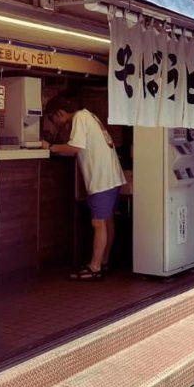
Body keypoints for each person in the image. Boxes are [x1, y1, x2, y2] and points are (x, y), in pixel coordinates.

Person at [42, 94, 125, 281]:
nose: (53, 123)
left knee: (98, 223)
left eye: (52, 118)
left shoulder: (79, 118)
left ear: (60, 113)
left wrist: (51, 147)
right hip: (111, 177)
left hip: (102, 179)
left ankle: (95, 267)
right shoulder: (89, 116)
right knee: (107, 221)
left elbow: (75, 147)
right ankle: (103, 262)